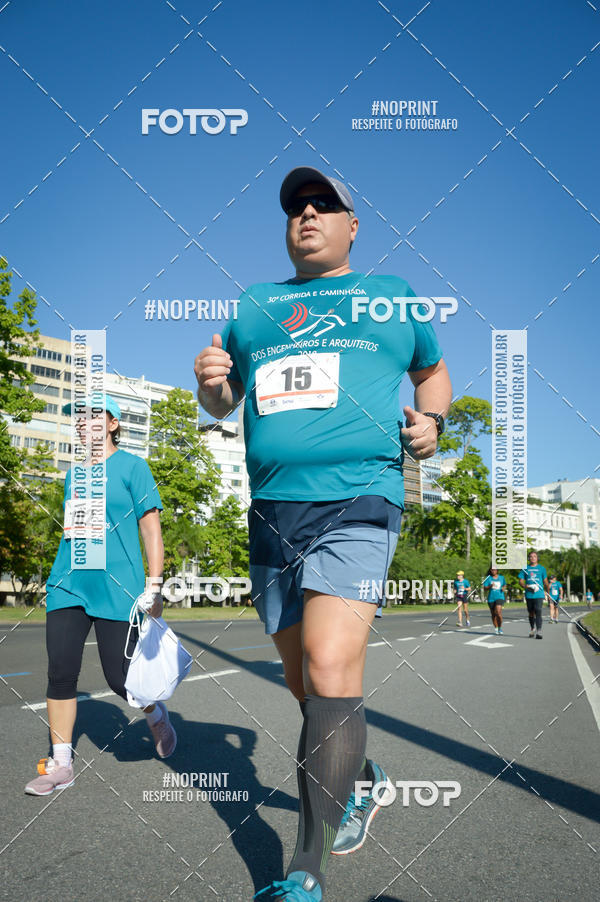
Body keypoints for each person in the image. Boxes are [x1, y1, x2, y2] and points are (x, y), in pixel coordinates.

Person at [194, 165, 451, 901]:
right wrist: (211, 384)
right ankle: (362, 775)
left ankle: (305, 872)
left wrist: (432, 421)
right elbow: (223, 401)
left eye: (323, 204)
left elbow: (433, 374)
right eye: (296, 207)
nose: (306, 214)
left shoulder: (391, 295)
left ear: (352, 226)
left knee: (330, 664)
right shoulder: (255, 306)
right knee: (304, 681)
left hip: (360, 498)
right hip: (273, 510)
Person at [25, 393, 177, 796]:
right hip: (68, 584)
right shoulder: (73, 475)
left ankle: (156, 714)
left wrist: (155, 586)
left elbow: (150, 529)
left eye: (93, 416)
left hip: (118, 587)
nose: (82, 423)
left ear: (112, 424)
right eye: (78, 418)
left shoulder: (133, 467)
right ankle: (61, 764)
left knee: (120, 679)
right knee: (60, 671)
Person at [518, 550, 549, 639]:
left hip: (539, 593)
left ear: (537, 558)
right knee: (531, 612)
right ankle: (532, 628)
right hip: (529, 594)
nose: (533, 558)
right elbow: (521, 581)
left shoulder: (542, 568)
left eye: (534, 556)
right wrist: (526, 586)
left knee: (538, 610)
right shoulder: (525, 568)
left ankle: (539, 631)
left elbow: (545, 581)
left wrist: (547, 591)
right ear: (528, 558)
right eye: (531, 557)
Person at [483, 567, 506, 634]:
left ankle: (500, 627)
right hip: (491, 598)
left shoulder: (501, 577)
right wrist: (490, 586)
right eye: (492, 570)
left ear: (497, 570)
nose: (493, 571)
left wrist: (503, 588)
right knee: (493, 614)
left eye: (495, 570)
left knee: (498, 612)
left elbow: (504, 585)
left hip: (500, 596)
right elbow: (485, 588)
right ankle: (496, 627)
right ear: (490, 570)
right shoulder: (488, 578)